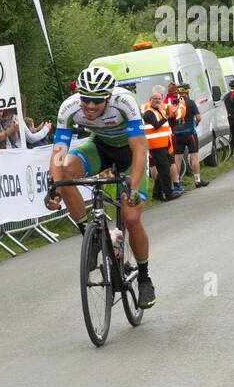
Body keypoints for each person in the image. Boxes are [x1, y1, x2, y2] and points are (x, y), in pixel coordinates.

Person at [46, 66, 156, 307]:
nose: (90, 107)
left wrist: (133, 188)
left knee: (131, 218)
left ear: (108, 97)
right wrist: (55, 186)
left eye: (97, 102)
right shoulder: (69, 107)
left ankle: (145, 278)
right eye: (85, 100)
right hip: (101, 148)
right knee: (64, 173)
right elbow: (59, 151)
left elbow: (139, 149)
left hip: (129, 155)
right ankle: (90, 232)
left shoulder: (124, 102)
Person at [168, 83, 207, 188]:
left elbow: (170, 119)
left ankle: (176, 183)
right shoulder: (191, 103)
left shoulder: (174, 104)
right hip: (190, 133)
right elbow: (198, 118)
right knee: (194, 156)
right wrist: (196, 123)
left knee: (177, 159)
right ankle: (197, 181)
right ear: (187, 92)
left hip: (177, 134)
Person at [141, 87, 176, 202]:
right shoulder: (148, 113)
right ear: (150, 99)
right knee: (165, 170)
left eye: (159, 98)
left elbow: (168, 124)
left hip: (164, 144)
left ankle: (157, 193)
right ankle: (169, 193)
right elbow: (156, 125)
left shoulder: (158, 111)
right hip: (156, 146)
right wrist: (165, 117)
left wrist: (170, 116)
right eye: (155, 98)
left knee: (162, 171)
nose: (157, 100)